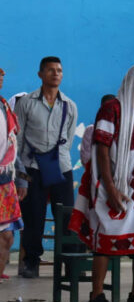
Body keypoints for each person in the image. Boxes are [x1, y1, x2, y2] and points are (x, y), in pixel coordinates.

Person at [69, 64, 134, 302]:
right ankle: (97, 295)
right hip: (117, 187)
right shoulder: (112, 109)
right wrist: (110, 188)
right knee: (106, 243)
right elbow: (101, 149)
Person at [15, 56, 78, 278]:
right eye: (50, 70)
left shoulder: (69, 105)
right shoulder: (26, 103)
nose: (56, 74)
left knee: (66, 216)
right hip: (32, 167)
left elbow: (68, 141)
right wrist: (20, 176)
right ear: (40, 74)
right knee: (34, 217)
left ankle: (71, 265)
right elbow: (18, 142)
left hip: (61, 167)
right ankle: (31, 262)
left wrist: (55, 157)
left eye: (59, 70)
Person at [0, 68, 24, 283]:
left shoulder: (5, 107)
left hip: (5, 180)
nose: (0, 79)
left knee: (7, 235)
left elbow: (11, 146)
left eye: (1, 76)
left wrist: (21, 176)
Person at [79, 95, 116, 167]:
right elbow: (85, 159)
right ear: (101, 109)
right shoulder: (91, 130)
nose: (109, 112)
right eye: (106, 109)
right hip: (95, 175)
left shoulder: (121, 131)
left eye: (112, 109)